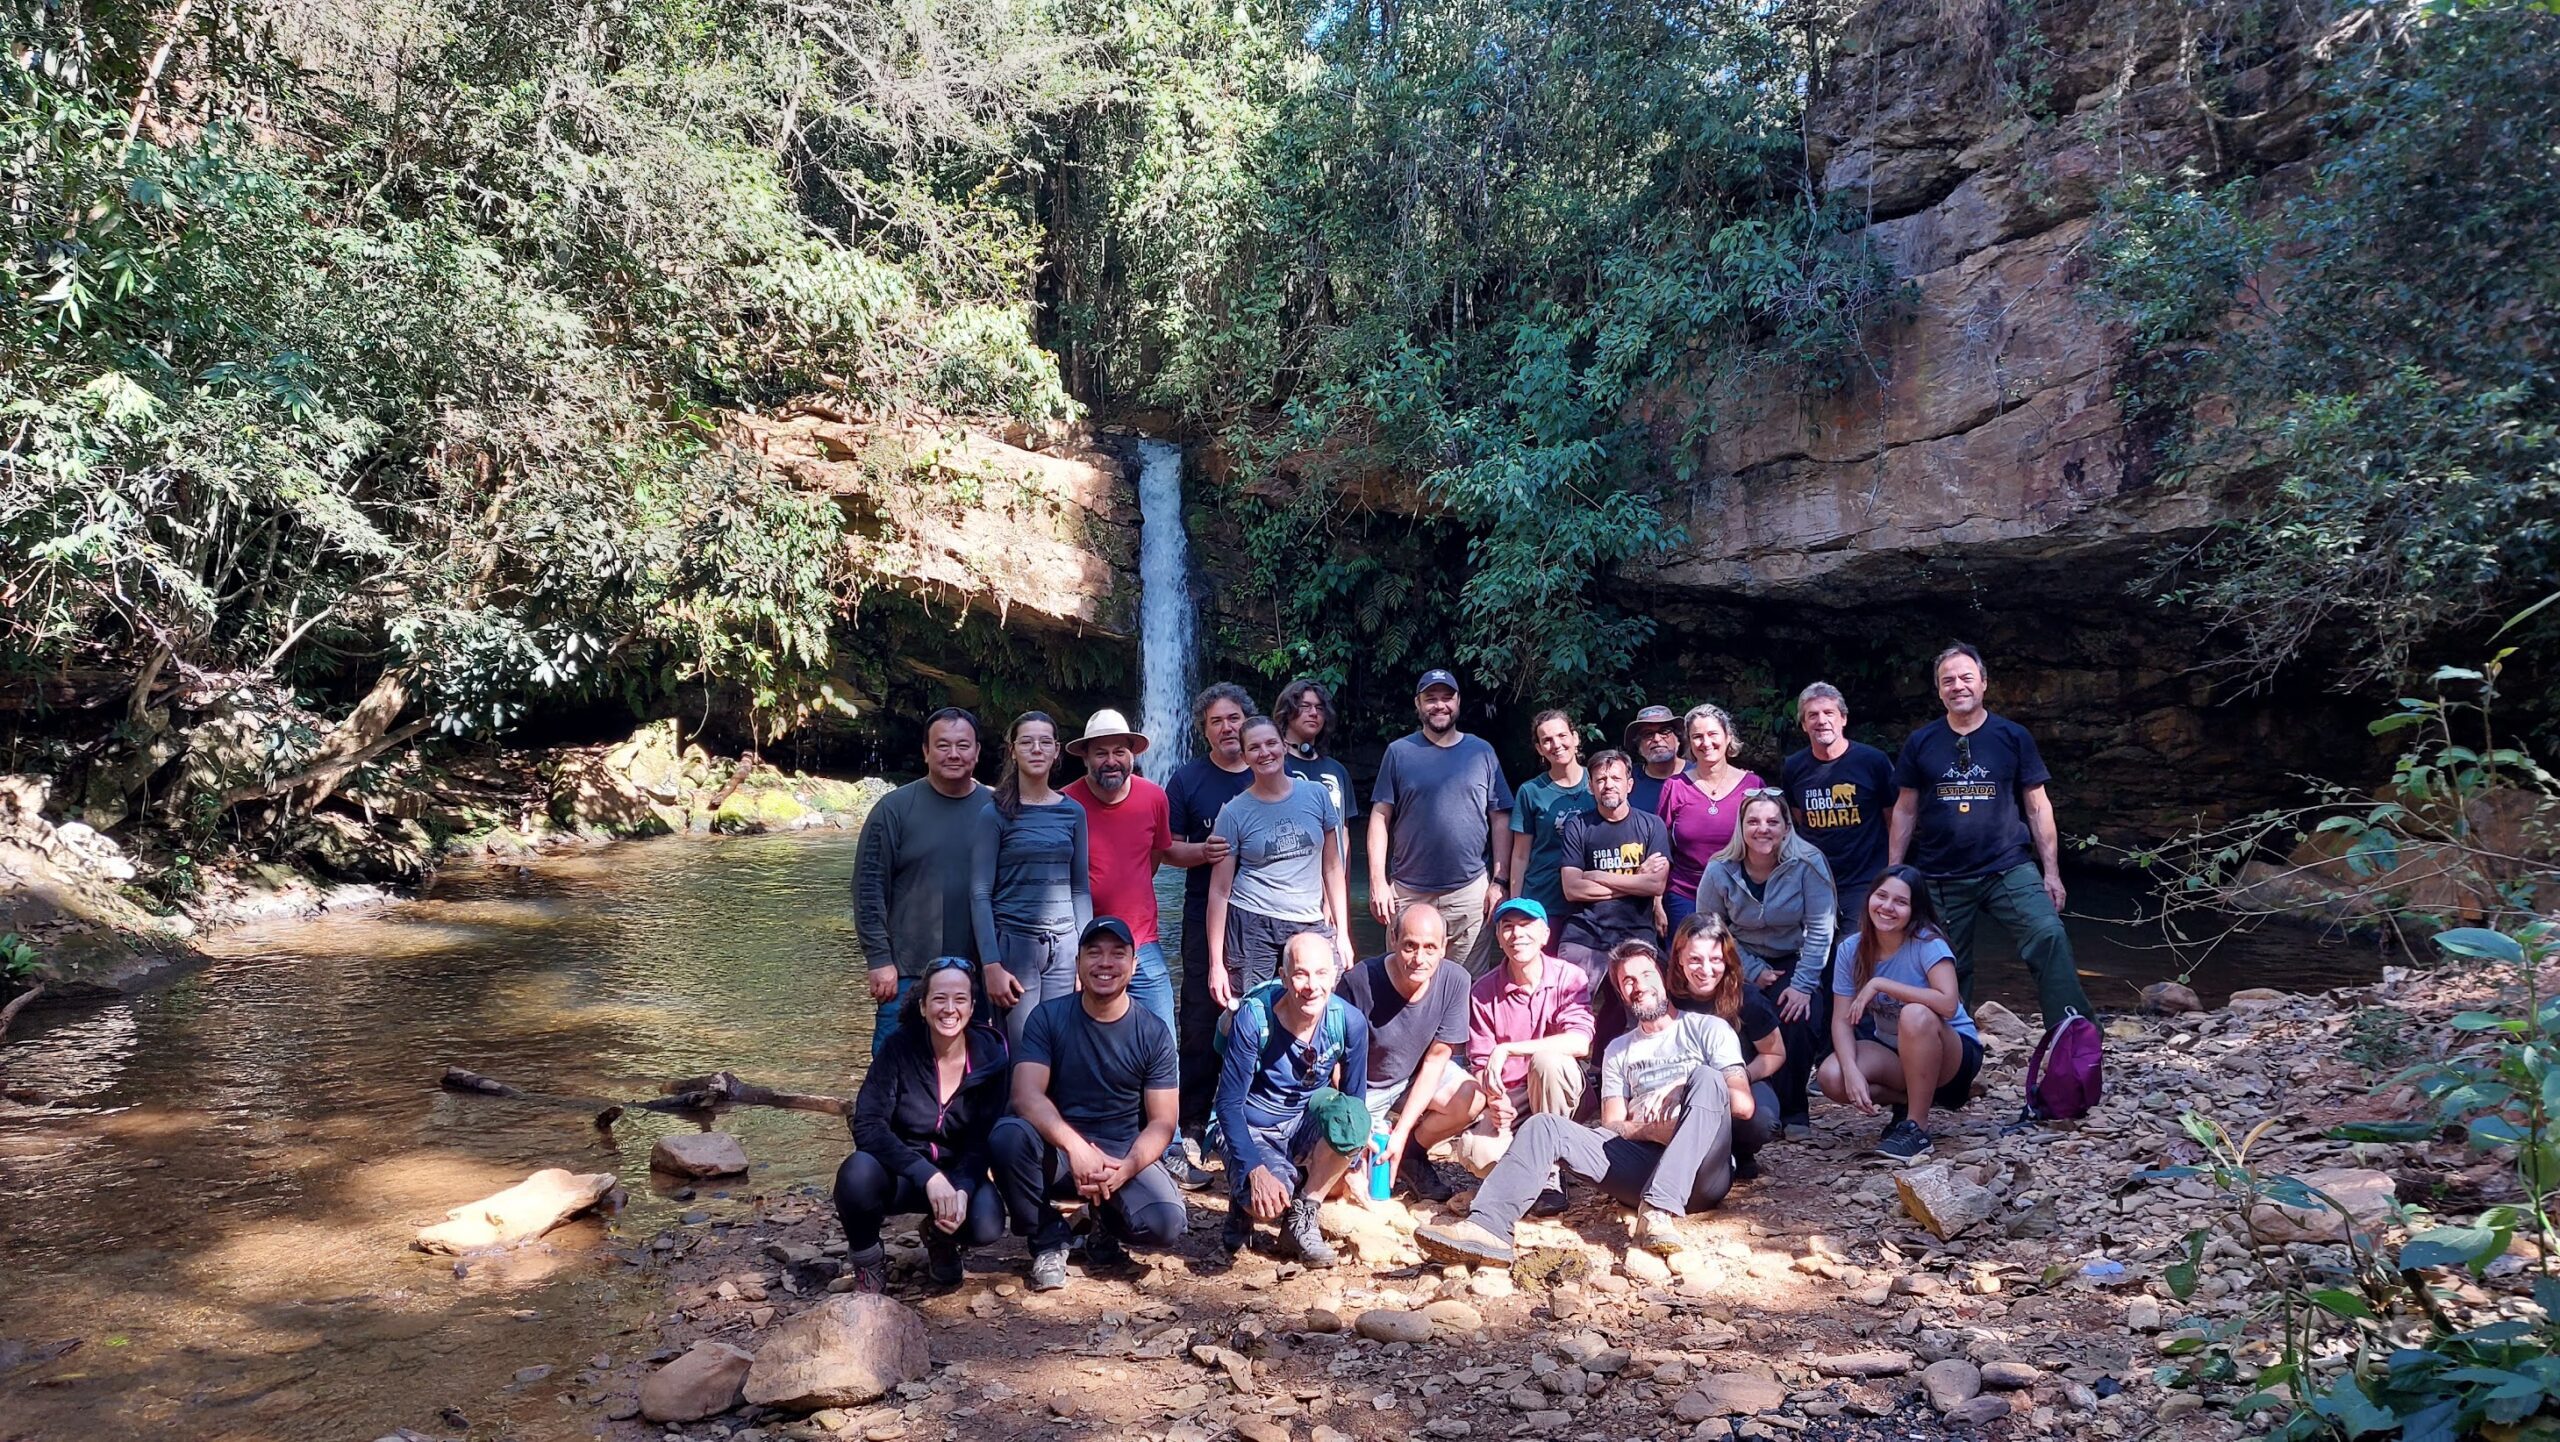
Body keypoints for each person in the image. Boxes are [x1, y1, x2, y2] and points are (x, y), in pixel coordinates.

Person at [1414, 939, 1756, 1267]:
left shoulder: (1708, 1029)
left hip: (1701, 1174)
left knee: (1708, 1079)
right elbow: (1612, 1125)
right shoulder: (1619, 1049)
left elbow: (1742, 1105)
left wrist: (1682, 1094)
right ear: (1621, 993)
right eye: (1627, 981)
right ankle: (1487, 1228)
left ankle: (1658, 1211)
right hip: (1642, 1168)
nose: (1638, 986)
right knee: (1543, 1125)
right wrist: (1654, 1130)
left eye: (1646, 974)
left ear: (1665, 977)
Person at [1887, 644, 2097, 1026]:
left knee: (2048, 934)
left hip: (2008, 867)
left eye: (1966, 677)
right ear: (1938, 691)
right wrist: (1894, 873)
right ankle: (1950, 1056)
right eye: (1947, 680)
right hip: (1941, 874)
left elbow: (2037, 806)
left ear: (1983, 683)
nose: (1958, 686)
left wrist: (2051, 872)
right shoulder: (1921, 742)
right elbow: (1905, 808)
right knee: (1947, 965)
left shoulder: (2012, 736)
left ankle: (2073, 1032)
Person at [989, 917, 1188, 1290]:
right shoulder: (1049, 1016)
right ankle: (1047, 1238)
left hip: (1121, 1154)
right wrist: (1075, 1146)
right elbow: (1025, 1094)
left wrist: (1128, 1166)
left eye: (1117, 954)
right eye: (1094, 953)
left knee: (1166, 1224)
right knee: (1007, 1136)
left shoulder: (1153, 1032)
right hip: (1060, 1155)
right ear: (1078, 963)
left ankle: (1103, 1228)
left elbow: (1163, 1121)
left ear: (1134, 964)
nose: (1105, 963)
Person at [836, 956, 1009, 1293]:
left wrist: (962, 1188)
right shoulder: (899, 1049)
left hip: (956, 1173)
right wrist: (926, 1175)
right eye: (939, 999)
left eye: (960, 999)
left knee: (986, 1224)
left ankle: (940, 1237)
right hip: (900, 1173)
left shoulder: (991, 1058)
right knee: (855, 1174)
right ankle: (868, 1260)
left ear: (973, 1007)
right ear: (923, 1006)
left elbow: (981, 1141)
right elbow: (868, 1125)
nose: (949, 1009)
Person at [1213, 933, 1371, 1262]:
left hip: (1304, 1121)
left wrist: (1353, 1162)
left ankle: (1304, 1215)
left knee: (1353, 1126)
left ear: (1335, 975)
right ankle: (1242, 1206)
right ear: (1284, 977)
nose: (1312, 985)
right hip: (1254, 1123)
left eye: (1321, 973)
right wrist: (1256, 1171)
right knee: (1267, 1204)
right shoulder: (1254, 1019)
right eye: (1300, 974)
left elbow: (1355, 1102)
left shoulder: (1350, 1022)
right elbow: (1228, 1106)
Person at [1817, 865, 1984, 1161]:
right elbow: (1842, 1021)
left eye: (1900, 902)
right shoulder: (1851, 949)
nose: (1887, 907)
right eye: (1881, 896)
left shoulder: (1928, 943)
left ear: (1914, 910)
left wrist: (1882, 984)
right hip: (1894, 1051)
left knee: (1915, 1014)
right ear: (1869, 898)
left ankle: (1917, 1128)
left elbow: (1948, 1004)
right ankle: (1914, 1100)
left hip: (1952, 1054)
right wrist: (1853, 1072)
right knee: (1832, 1076)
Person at [1695, 792, 1836, 1133]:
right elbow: (1709, 927)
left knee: (1797, 1014)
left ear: (1786, 828)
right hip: (1735, 959)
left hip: (1793, 957)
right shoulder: (1719, 869)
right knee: (1733, 1018)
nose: (1763, 829)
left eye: (1773, 822)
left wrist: (1803, 986)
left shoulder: (1809, 863)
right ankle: (1741, 1100)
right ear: (1741, 828)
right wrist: (1751, 969)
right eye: (1753, 822)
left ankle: (1794, 1109)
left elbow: (1821, 926)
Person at [854, 707, 992, 1054]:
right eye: (942, 745)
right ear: (926, 752)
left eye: (963, 745)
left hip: (977, 972)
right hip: (906, 971)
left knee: (973, 1072)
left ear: (977, 752)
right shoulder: (894, 809)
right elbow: (869, 888)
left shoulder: (997, 809)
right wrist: (879, 960)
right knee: (893, 1066)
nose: (954, 754)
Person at [1368, 669, 1515, 974]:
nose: (1439, 705)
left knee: (1466, 985)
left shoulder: (1482, 752)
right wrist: (1377, 882)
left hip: (1469, 892)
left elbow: (1500, 817)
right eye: (1430, 699)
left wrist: (1499, 881)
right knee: (1403, 979)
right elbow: (1380, 817)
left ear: (1458, 701)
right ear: (1418, 704)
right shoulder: (1398, 752)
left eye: (1446, 697)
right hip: (1408, 892)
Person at [1166, 683, 1256, 1166]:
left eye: (1235, 718)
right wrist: (1203, 852)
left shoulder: (1267, 773)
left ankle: (1247, 1114)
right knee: (1201, 1015)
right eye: (1217, 721)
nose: (1228, 727)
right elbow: (1168, 848)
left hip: (1263, 917)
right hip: (1205, 913)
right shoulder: (1186, 780)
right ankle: (1193, 1120)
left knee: (1260, 1011)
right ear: (1204, 731)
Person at [1336, 905, 1482, 1203]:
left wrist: (1401, 1133)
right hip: (1362, 1087)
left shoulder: (1456, 981)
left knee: (1472, 1096)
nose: (1419, 959)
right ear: (1393, 940)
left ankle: (1411, 1154)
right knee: (1346, 1187)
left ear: (1444, 948)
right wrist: (1356, 1121)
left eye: (1430, 948)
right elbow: (1335, 1063)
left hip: (1411, 1078)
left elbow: (1437, 1059)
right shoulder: (1359, 982)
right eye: (1410, 946)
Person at [1448, 898, 1593, 1184]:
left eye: (1526, 925)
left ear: (1545, 935)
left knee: (1547, 1061)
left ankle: (1551, 1173)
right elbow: (1480, 1063)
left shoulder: (1569, 976)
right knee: (1475, 1153)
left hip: (1562, 1091)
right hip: (1514, 1096)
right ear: (1499, 939)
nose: (1517, 935)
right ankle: (1529, 1162)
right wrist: (1495, 1101)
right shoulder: (1483, 991)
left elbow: (1580, 1042)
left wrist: (1509, 1049)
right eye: (1508, 927)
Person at [1207, 715, 1351, 1002]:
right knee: (1253, 1008)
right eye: (1255, 747)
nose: (1265, 753)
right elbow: (1220, 891)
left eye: (1271, 743)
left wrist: (1343, 934)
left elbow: (1333, 867)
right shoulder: (1233, 813)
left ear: (1285, 747)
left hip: (1308, 918)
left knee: (1319, 999)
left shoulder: (1317, 795)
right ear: (1245, 756)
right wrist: (1216, 965)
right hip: (1252, 921)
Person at [971, 712, 1093, 1049]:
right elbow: (980, 893)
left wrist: (1086, 954)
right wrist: (991, 964)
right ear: (1013, 751)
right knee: (1023, 1051)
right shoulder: (994, 813)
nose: (1035, 749)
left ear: (1056, 751)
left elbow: (1080, 888)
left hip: (1065, 948)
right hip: (1016, 947)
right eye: (1026, 742)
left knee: (1059, 1046)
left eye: (1044, 742)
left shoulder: (1073, 812)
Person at [1063, 709, 1177, 1034]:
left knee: (1163, 1037)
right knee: (1082, 1042)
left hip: (1142, 943)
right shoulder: (1066, 804)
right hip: (1083, 945)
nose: (1111, 760)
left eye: (1119, 751)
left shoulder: (1154, 798)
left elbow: (1155, 855)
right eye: (1101, 752)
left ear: (1132, 755)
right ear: (1085, 757)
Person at [1555, 749, 1671, 1040]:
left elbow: (1655, 885)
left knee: (1648, 1010)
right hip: (1585, 931)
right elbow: (1572, 889)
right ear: (1591, 786)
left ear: (1629, 784)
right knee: (1565, 1007)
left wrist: (1598, 876)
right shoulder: (1578, 825)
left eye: (1616, 778)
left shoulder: (1651, 825)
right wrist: (1636, 878)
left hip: (1637, 931)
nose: (1609, 784)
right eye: (1601, 779)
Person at [1662, 914, 1783, 1179]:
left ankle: (1739, 1151)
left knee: (1760, 1121)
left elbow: (1775, 1053)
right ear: (1679, 957)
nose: (1705, 969)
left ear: (1726, 960)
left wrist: (1740, 1078)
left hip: (1742, 1079)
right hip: (1675, 1080)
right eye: (1695, 959)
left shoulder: (1747, 998)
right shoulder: (1666, 998)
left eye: (1715, 959)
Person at [1781, 682, 1895, 940]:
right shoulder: (1794, 767)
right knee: (1817, 955)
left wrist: (1891, 870)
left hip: (1864, 879)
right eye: (1812, 715)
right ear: (1803, 725)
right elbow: (1799, 818)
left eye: (1828, 713)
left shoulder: (1873, 761)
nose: (1821, 721)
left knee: (1853, 949)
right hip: (1815, 879)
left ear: (1843, 718)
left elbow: (1894, 818)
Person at [1656, 703, 1766, 938]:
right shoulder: (1675, 786)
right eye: (1697, 737)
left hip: (1743, 894)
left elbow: (1771, 841)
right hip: (1686, 895)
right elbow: (1660, 848)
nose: (1705, 743)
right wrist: (1656, 901)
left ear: (1728, 737)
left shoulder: (1753, 786)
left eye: (1712, 734)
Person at [1508, 709, 1594, 921]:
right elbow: (1520, 854)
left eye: (1562, 736)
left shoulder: (1600, 783)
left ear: (1575, 738)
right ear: (1539, 748)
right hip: (1544, 899)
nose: (1556, 745)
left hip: (1592, 899)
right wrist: (1516, 906)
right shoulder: (1530, 792)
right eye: (1547, 740)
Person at [1275, 677, 1356, 853]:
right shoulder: (1272, 767)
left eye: (1320, 708)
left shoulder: (1337, 771)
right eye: (1305, 706)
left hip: (1333, 876)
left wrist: (1342, 880)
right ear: (1288, 711)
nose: (1314, 713)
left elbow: (1343, 833)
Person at [1622, 706, 1686, 817]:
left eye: (1664, 731)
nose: (1657, 739)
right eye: (1648, 734)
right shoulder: (1627, 779)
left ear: (1678, 739)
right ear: (1638, 746)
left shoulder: (1698, 775)